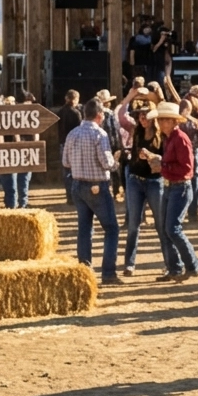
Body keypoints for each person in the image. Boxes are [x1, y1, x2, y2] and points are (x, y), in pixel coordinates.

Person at [61, 97, 121, 285]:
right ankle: (108, 272)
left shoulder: (72, 134)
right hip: (97, 186)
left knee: (84, 229)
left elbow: (65, 163)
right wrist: (115, 161)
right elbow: (106, 163)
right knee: (111, 228)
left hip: (78, 185)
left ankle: (84, 271)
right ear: (99, 115)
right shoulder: (100, 135)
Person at [147, 101, 198, 281]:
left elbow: (187, 169)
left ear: (174, 122)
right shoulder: (171, 138)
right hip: (172, 186)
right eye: (160, 120)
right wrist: (161, 163)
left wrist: (161, 166)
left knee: (172, 228)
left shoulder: (180, 139)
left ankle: (190, 265)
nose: (161, 123)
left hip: (180, 187)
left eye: (165, 120)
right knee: (166, 228)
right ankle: (176, 268)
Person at [118, 95, 165, 277]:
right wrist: (131, 94)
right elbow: (121, 116)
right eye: (140, 116)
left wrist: (152, 155)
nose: (142, 119)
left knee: (161, 224)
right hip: (135, 179)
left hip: (154, 180)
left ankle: (169, 263)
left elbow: (165, 158)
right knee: (133, 224)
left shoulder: (162, 135)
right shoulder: (136, 130)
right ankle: (129, 264)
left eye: (145, 115)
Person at [58, 89, 82, 204]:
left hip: (63, 143)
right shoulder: (76, 113)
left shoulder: (60, 112)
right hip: (74, 144)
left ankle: (69, 197)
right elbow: (80, 130)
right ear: (76, 99)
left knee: (66, 171)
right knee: (75, 170)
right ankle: (75, 196)